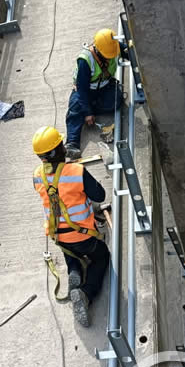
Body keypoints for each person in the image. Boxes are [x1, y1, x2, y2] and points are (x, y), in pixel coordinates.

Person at [32, 125, 110, 327]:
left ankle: (74, 270)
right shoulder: (76, 171)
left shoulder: (37, 176)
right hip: (84, 237)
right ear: (61, 149)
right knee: (101, 258)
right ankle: (85, 293)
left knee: (70, 248)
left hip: (59, 238)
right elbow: (100, 196)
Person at [64, 28, 127, 160]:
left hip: (104, 87)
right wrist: (87, 112)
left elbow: (127, 51)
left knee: (116, 100)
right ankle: (72, 144)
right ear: (98, 49)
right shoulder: (85, 60)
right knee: (75, 109)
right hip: (85, 91)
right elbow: (81, 89)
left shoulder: (113, 46)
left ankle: (87, 109)